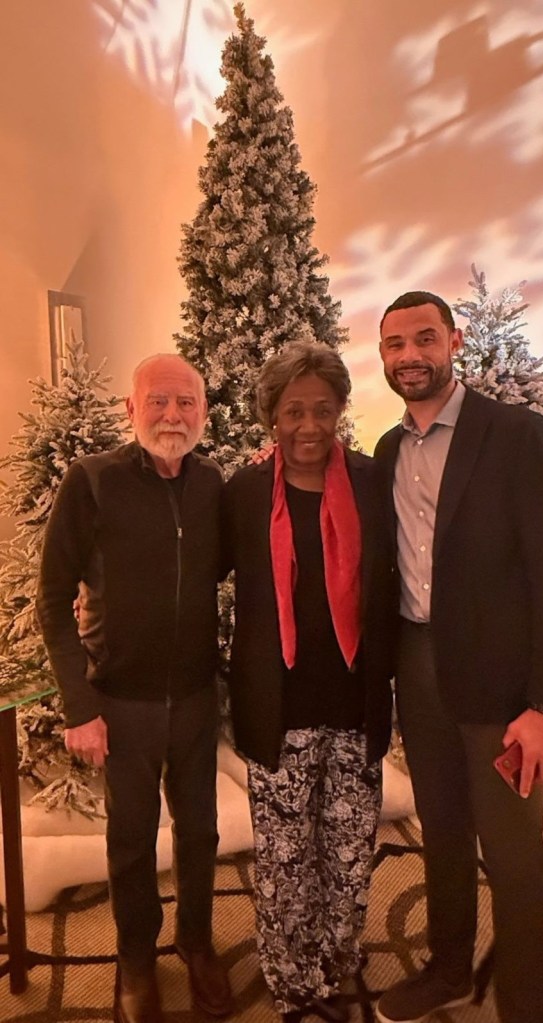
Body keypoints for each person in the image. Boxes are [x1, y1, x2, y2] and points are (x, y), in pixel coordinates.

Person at [373, 291, 543, 1023]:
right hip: (419, 669)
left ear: (455, 341)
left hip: (502, 688)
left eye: (424, 338)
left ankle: (528, 1001)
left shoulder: (516, 434)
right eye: (395, 344)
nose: (410, 355)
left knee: (515, 853)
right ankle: (449, 968)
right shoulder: (389, 449)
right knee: (442, 833)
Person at [37, 354, 233, 1023]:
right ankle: (135, 956)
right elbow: (52, 599)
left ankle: (198, 942)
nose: (173, 416)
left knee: (201, 832)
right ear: (131, 407)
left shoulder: (212, 484)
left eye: (186, 404)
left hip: (197, 700)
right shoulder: (92, 481)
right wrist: (80, 705)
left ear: (204, 413)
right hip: (120, 702)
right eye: (159, 402)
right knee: (131, 836)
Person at [221, 341, 395, 1022]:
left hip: (355, 699)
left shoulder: (372, 481)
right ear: (272, 415)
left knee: (349, 848)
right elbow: (195, 572)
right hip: (278, 701)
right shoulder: (242, 493)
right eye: (294, 410)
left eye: (323, 409)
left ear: (341, 410)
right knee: (287, 856)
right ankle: (291, 971)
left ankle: (338, 952)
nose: (310, 425)